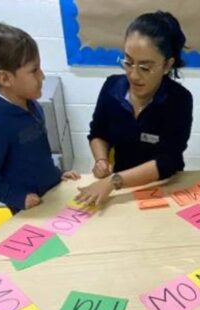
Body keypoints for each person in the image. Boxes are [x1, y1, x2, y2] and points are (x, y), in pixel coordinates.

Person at [75, 11, 193, 207]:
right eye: (128, 62)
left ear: (167, 65)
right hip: (121, 188)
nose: (133, 75)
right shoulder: (112, 88)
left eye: (145, 67)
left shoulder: (179, 100)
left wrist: (114, 181)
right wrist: (101, 160)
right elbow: (98, 133)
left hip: (162, 186)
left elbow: (168, 160)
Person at [0, 23, 79, 214]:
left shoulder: (32, 104)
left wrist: (57, 176)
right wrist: (16, 197)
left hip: (49, 193)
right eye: (34, 70)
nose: (42, 76)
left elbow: (37, 156)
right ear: (5, 79)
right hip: (27, 207)